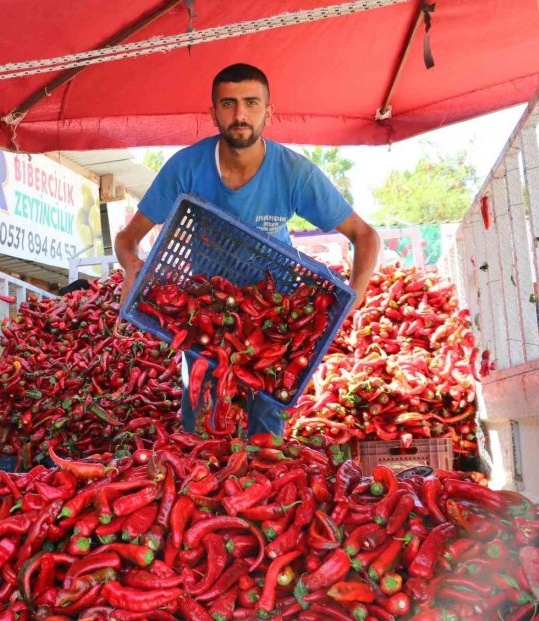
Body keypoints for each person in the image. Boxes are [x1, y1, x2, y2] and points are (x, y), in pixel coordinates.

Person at [115, 63, 380, 435]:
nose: (240, 114)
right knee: (200, 426)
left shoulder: (294, 173)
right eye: (229, 103)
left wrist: (354, 299)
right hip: (207, 310)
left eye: (251, 103)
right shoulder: (186, 167)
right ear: (214, 113)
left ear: (268, 112)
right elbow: (127, 238)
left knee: (266, 431)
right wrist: (132, 267)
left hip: (276, 315)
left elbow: (365, 235)